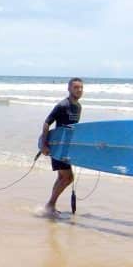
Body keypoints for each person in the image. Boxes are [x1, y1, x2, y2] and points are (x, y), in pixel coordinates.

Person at [38, 77, 84, 215]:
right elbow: (47, 123)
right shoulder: (62, 105)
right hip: (57, 146)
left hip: (66, 148)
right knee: (68, 178)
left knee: (61, 177)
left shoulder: (78, 106)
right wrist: (44, 144)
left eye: (81, 87)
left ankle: (50, 206)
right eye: (76, 87)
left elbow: (72, 128)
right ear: (69, 88)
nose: (79, 90)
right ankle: (50, 205)